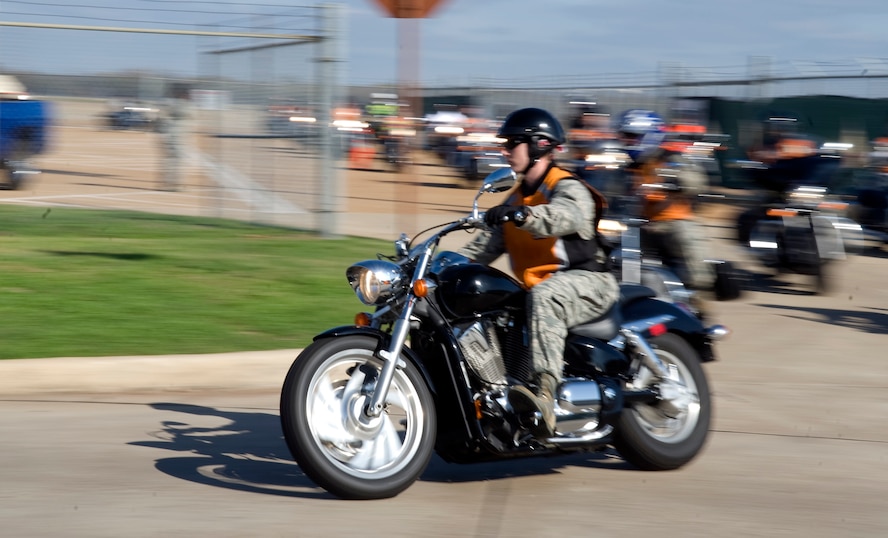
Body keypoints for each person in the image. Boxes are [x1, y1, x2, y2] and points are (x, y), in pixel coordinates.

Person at [457, 107, 620, 438]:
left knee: (544, 296)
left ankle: (545, 396)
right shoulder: (516, 199)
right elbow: (479, 251)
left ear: (540, 145)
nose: (505, 150)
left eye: (513, 142)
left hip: (589, 282)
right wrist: (437, 267)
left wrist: (522, 216)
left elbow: (563, 217)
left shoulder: (567, 186)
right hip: (543, 289)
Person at [615, 109, 715, 314]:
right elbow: (606, 187)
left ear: (650, 135)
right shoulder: (627, 166)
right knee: (611, 252)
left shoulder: (671, 158)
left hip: (672, 221)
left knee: (689, 241)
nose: (628, 141)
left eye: (633, 137)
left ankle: (697, 299)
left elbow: (697, 181)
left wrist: (674, 181)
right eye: (626, 136)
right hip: (639, 224)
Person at [157, 82, 191, 191]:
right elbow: (163, 118)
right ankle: (170, 184)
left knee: (173, 159)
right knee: (173, 159)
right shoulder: (175, 103)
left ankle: (170, 183)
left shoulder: (172, 103)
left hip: (173, 134)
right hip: (171, 135)